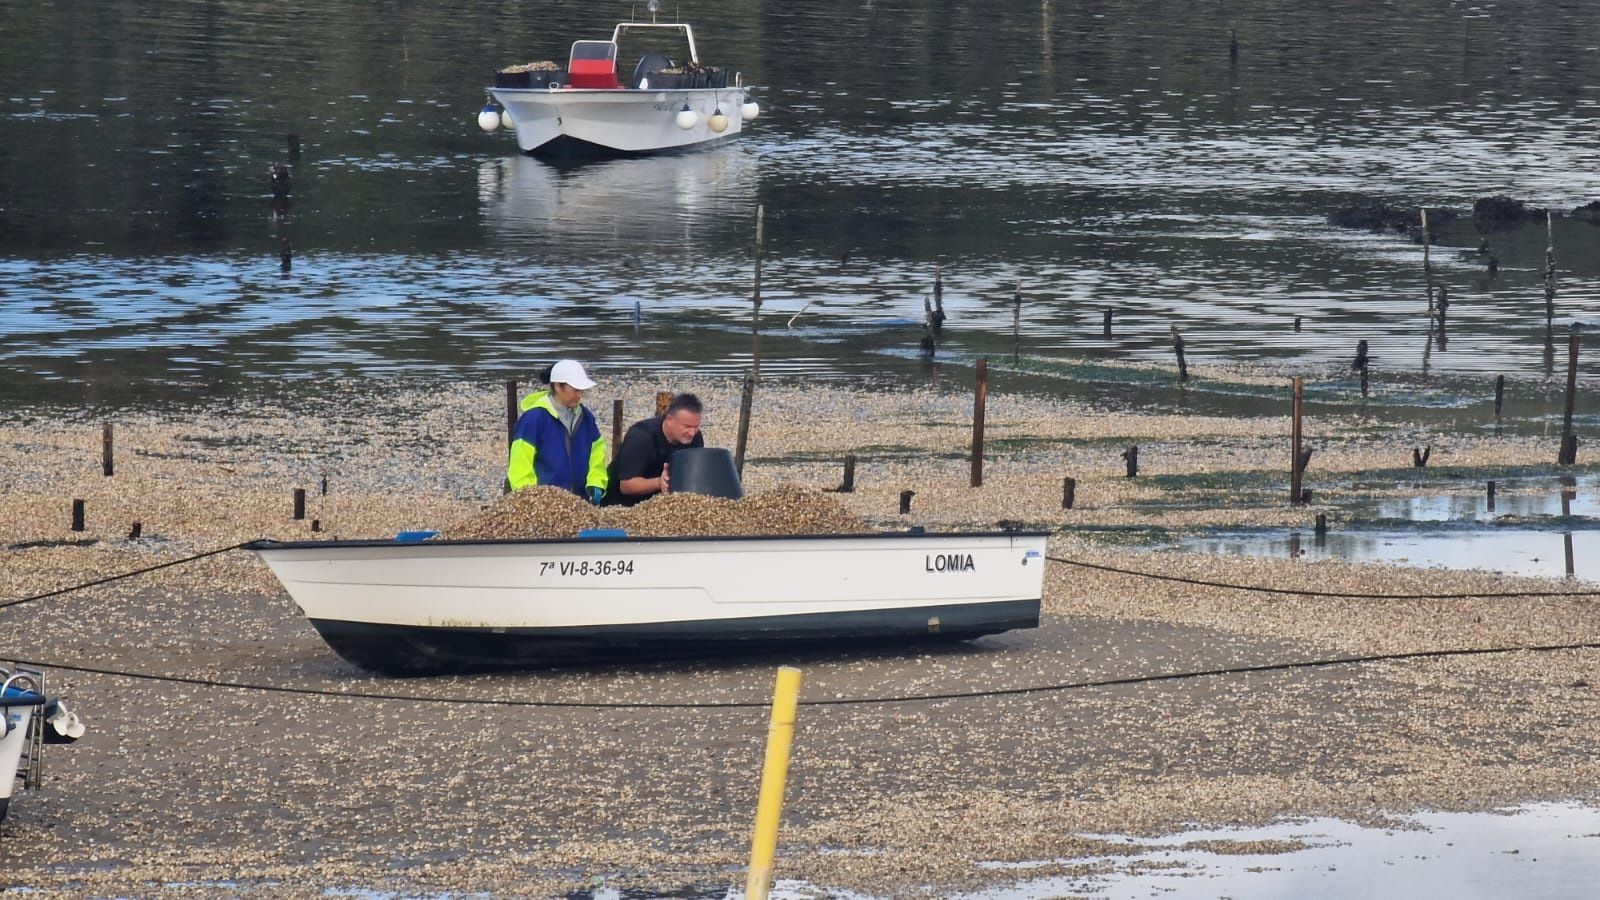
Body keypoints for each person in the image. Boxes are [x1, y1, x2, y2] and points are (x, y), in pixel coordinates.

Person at [506, 359, 608, 504]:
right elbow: (520, 465)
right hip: (544, 504)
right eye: (576, 390)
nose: (580, 395)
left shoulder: (586, 418)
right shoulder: (535, 419)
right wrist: (530, 500)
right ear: (558, 386)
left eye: (581, 390)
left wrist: (596, 483)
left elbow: (596, 454)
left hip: (581, 503)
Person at [604, 392, 704, 506]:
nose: (692, 433)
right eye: (687, 426)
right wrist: (659, 482)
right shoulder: (640, 437)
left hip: (664, 504)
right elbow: (626, 485)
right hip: (620, 505)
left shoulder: (695, 437)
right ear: (669, 419)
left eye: (696, 426)